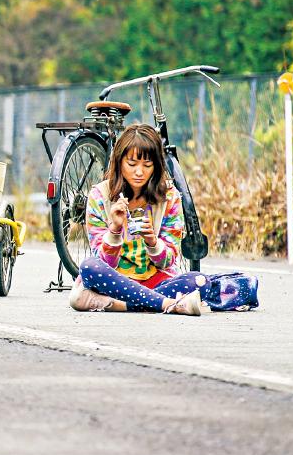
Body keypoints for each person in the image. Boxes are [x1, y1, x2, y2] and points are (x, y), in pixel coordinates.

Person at [69, 124, 209, 316]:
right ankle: (169, 303)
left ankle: (125, 304)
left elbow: (169, 261)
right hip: (113, 283)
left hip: (155, 280)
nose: (139, 172)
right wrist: (115, 230)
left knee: (200, 281)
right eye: (132, 164)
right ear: (119, 162)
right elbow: (103, 262)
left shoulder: (169, 197)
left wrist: (153, 242)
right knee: (89, 267)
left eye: (147, 165)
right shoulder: (99, 196)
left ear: (157, 166)